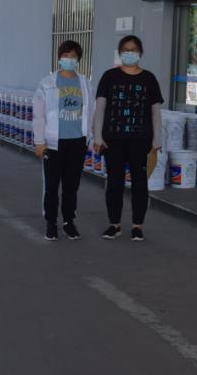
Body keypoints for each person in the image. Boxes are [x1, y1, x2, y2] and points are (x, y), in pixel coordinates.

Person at [93, 35, 163, 242]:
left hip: (141, 140)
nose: (129, 53)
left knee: (140, 184)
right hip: (113, 140)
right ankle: (114, 224)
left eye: (133, 49)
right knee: (114, 183)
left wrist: (157, 139)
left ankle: (137, 226)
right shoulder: (109, 76)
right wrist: (97, 136)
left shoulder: (149, 78)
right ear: (119, 52)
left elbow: (156, 112)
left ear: (140, 53)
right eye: (125, 49)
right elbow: (100, 108)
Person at [32, 40, 94, 241]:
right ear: (59, 58)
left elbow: (90, 112)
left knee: (71, 186)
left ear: (79, 60)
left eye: (73, 56)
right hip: (53, 143)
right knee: (51, 186)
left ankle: (69, 222)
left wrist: (90, 137)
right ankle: (51, 223)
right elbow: (39, 115)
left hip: (77, 141)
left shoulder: (85, 83)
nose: (69, 59)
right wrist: (39, 141)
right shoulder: (47, 83)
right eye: (66, 56)